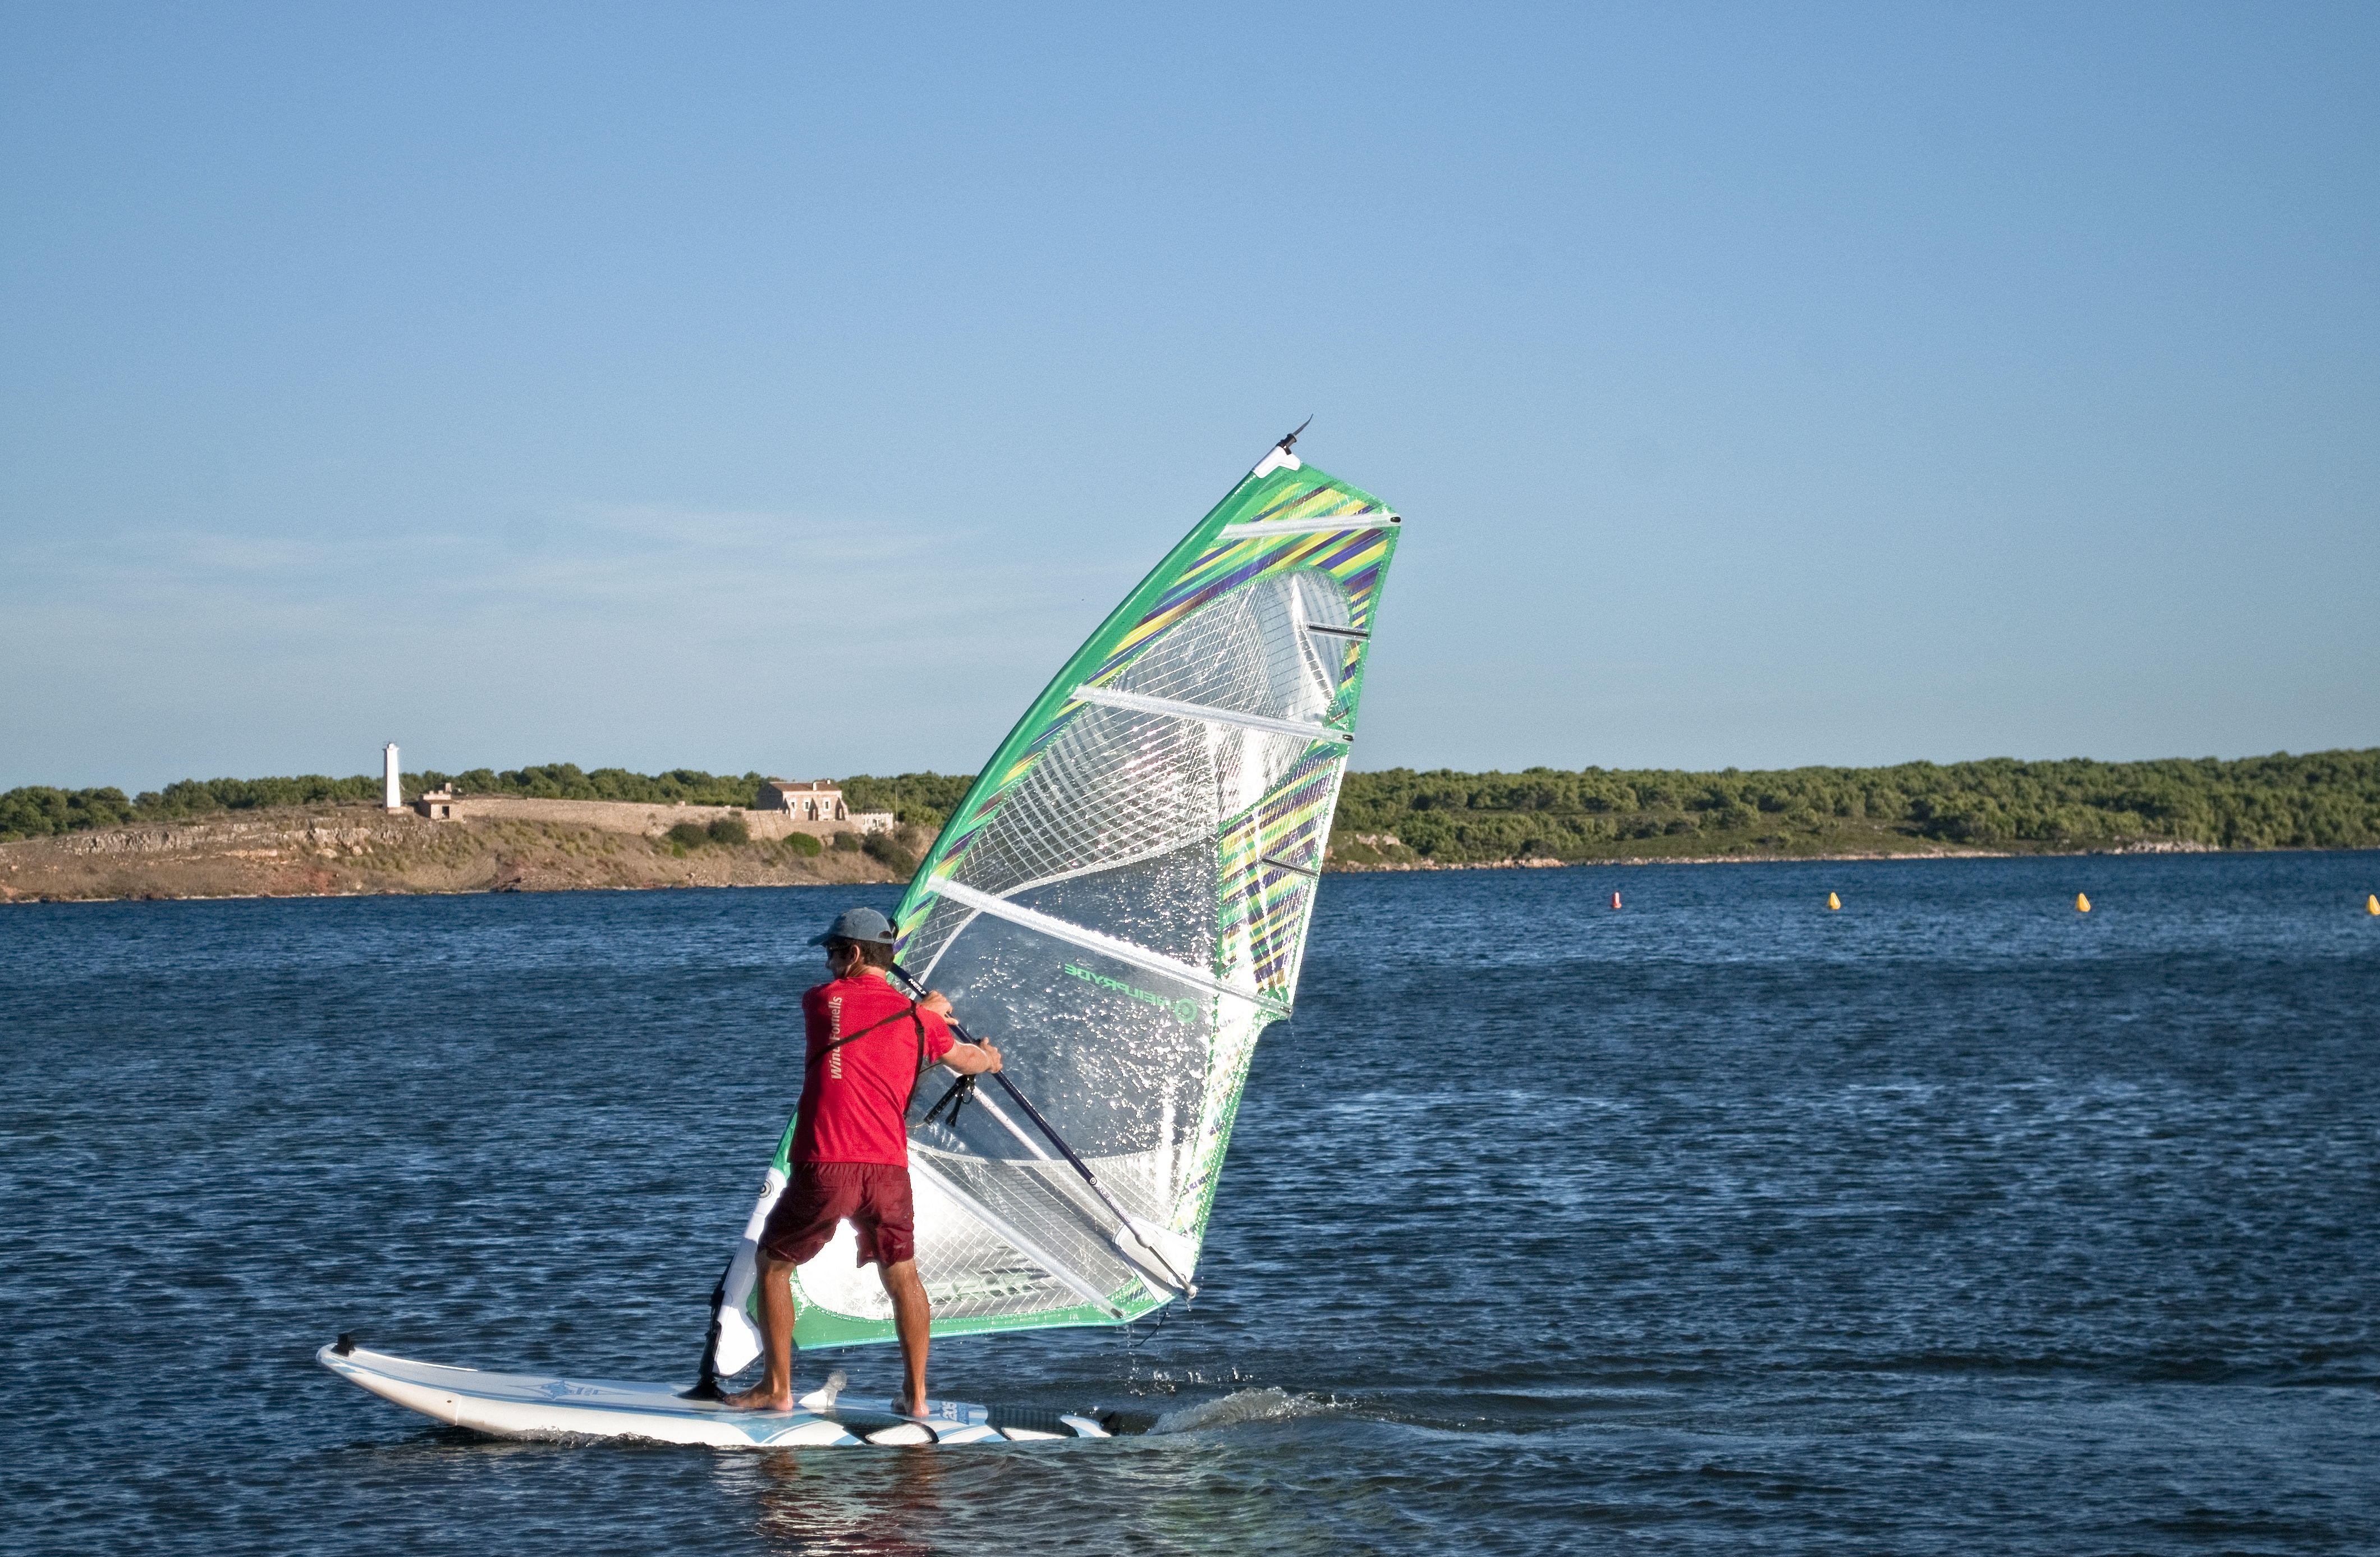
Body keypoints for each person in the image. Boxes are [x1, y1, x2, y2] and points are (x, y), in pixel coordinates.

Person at [722, 906, 1001, 1416]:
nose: (827, 965)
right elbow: (970, 1061)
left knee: (774, 1266)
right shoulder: (922, 1021)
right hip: (889, 1174)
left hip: (828, 1166)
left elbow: (859, 1014)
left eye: (832, 954)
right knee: (903, 1277)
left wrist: (927, 1012)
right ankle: (917, 1399)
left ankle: (777, 1389)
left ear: (853, 954)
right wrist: (977, 1048)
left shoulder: (820, 1001)